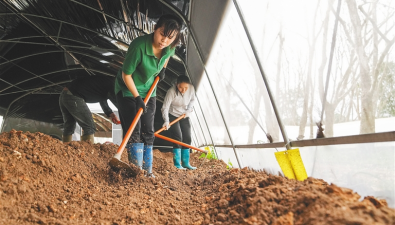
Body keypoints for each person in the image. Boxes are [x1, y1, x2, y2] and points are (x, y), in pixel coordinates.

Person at [114, 14, 182, 177]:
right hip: (128, 90)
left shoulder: (169, 47)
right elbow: (126, 75)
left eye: (170, 38)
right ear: (155, 29)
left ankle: (148, 171)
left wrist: (163, 69)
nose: (164, 40)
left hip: (149, 90)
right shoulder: (139, 47)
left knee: (148, 131)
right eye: (162, 34)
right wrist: (137, 98)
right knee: (134, 130)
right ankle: (136, 172)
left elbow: (166, 56)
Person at [59, 75, 120, 143]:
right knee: (89, 127)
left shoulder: (106, 81)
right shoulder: (113, 85)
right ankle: (87, 152)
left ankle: (65, 148)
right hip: (74, 96)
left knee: (69, 126)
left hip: (65, 95)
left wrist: (110, 113)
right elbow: (118, 103)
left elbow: (102, 98)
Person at [161, 75, 196, 170]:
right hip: (173, 115)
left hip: (184, 115)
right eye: (181, 87)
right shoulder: (171, 92)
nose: (183, 90)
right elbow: (165, 107)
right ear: (177, 85)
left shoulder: (191, 89)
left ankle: (186, 163)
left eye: (185, 88)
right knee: (178, 138)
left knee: (187, 138)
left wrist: (189, 110)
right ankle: (177, 164)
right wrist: (166, 121)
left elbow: (192, 100)